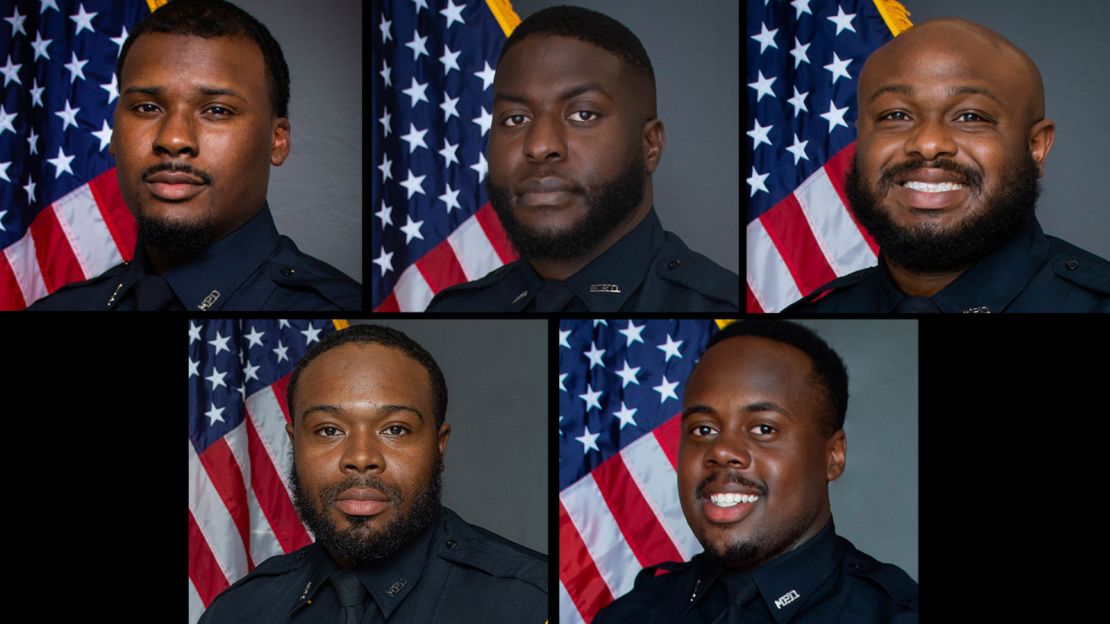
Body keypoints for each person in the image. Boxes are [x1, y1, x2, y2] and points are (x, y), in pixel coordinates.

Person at [198, 324, 547, 622]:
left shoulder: (535, 602)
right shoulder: (239, 611)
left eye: (395, 429)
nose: (361, 457)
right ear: (295, 445)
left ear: (438, 447)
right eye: (328, 430)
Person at [29, 0, 360, 311]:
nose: (173, 139)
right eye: (147, 107)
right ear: (114, 133)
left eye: (216, 110)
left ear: (277, 141)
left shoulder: (341, 312)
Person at [593, 320, 917, 623]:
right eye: (703, 430)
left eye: (763, 428)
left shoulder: (894, 614)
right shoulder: (631, 614)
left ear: (833, 456)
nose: (721, 450)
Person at [425, 5, 739, 312]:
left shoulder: (725, 308)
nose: (539, 145)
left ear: (650, 145)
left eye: (583, 114)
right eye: (514, 119)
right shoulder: (456, 309)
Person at [786, 18, 1110, 313]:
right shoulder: (812, 316)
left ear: (1035, 147)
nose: (927, 144)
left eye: (971, 117)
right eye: (895, 116)